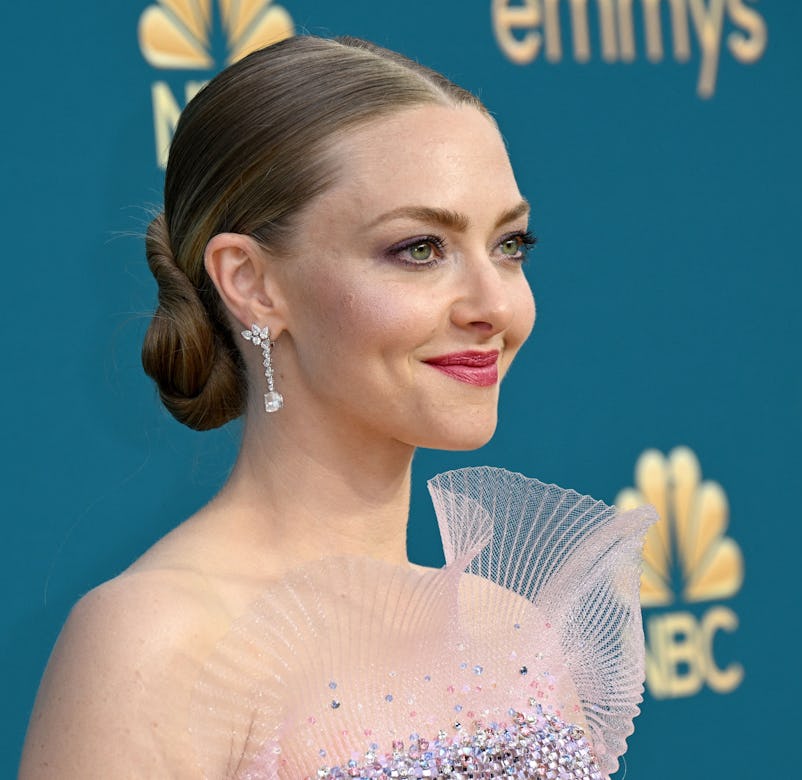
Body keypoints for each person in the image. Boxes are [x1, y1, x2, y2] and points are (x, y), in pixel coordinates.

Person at [19, 35, 654, 779]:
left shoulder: (510, 636)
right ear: (253, 283)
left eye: (511, 244)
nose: (495, 305)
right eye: (420, 249)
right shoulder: (154, 644)